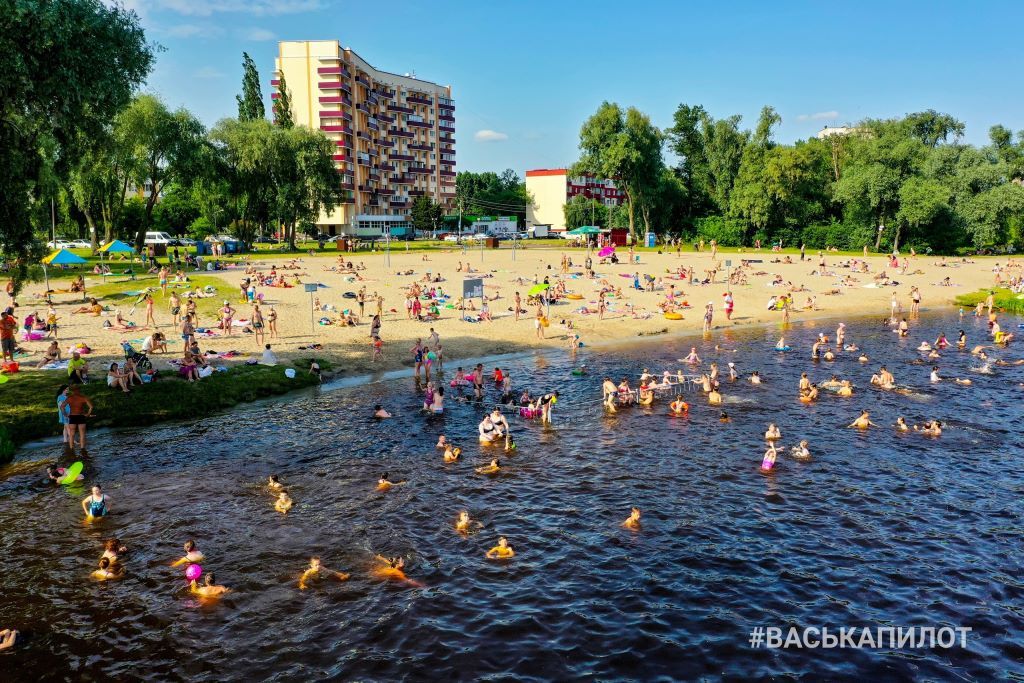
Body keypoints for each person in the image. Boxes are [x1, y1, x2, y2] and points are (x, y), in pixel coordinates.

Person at [61, 385, 94, 450]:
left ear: (72, 391)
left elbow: (62, 407)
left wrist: (65, 414)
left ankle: (71, 449)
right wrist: (87, 414)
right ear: (79, 390)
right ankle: (82, 449)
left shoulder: (69, 398)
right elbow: (91, 407)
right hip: (81, 416)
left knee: (72, 434)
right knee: (82, 434)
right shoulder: (83, 397)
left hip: (72, 417)